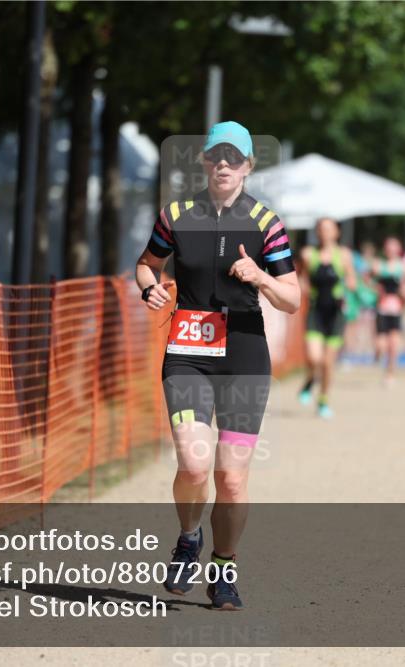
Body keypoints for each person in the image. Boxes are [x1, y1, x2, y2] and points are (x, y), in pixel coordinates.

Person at [135, 121, 300, 610]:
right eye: (216, 156)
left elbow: (292, 297)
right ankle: (189, 537)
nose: (224, 164)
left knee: (231, 477)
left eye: (234, 156)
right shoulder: (177, 215)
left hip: (244, 355)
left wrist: (262, 279)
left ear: (249, 166)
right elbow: (147, 263)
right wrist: (149, 287)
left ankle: (224, 566)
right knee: (192, 460)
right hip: (188, 352)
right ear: (204, 162)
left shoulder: (267, 223)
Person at [298, 217, 356, 419]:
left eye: (329, 229)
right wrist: (302, 287)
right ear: (317, 232)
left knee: (328, 363)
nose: (325, 233)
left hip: (336, 314)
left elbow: (351, 280)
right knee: (314, 358)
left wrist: (350, 285)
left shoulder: (344, 255)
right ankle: (309, 381)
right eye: (321, 229)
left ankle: (323, 400)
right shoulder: (308, 254)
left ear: (336, 232)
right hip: (316, 312)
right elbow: (303, 279)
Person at [371, 236, 405, 387]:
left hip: (396, 309)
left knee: (394, 344)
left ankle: (390, 373)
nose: (391, 250)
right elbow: (365, 279)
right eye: (388, 247)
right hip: (382, 308)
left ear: (399, 249)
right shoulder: (378, 265)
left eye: (394, 247)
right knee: (381, 345)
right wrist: (375, 289)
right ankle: (378, 356)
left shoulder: (404, 266)